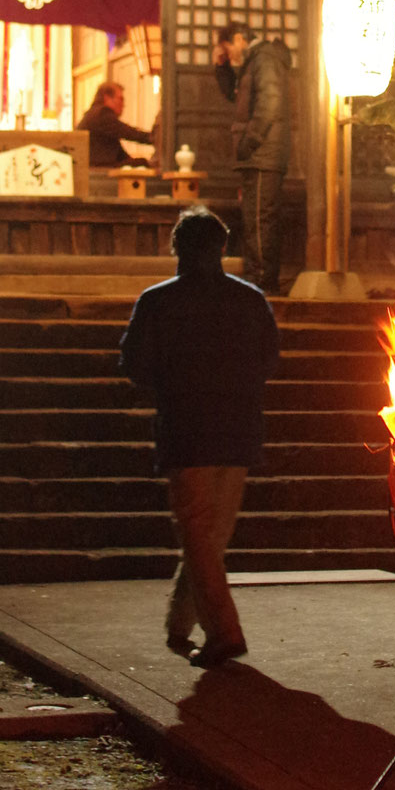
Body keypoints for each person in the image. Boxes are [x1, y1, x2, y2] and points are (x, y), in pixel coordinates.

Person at [119, 206, 280, 666]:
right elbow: (270, 360)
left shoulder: (158, 301)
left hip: (188, 430)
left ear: (177, 249)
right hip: (239, 430)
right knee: (211, 536)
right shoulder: (249, 300)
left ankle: (225, 633)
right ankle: (179, 623)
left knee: (197, 533)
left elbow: (135, 366)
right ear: (222, 248)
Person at [213, 23, 291, 293]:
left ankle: (264, 282)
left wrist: (249, 142)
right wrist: (222, 67)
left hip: (263, 154)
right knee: (256, 217)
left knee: (259, 219)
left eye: (227, 48)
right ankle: (260, 279)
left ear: (239, 39)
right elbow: (237, 98)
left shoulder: (265, 59)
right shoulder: (255, 61)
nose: (229, 53)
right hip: (259, 154)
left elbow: (270, 103)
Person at [76, 80, 157, 168]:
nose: (123, 104)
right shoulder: (102, 114)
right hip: (99, 170)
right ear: (107, 98)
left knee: (141, 164)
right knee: (142, 163)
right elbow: (128, 132)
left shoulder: (93, 114)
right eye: (121, 99)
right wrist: (154, 138)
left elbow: (119, 152)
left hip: (94, 168)